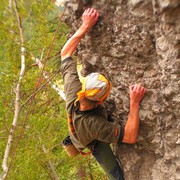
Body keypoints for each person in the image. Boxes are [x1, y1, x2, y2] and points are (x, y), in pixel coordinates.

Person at [61, 8, 147, 180]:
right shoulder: (95, 125)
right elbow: (130, 137)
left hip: (80, 129)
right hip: (93, 142)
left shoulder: (73, 90)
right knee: (116, 175)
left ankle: (75, 140)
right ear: (101, 101)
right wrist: (134, 102)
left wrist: (85, 26)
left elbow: (65, 54)